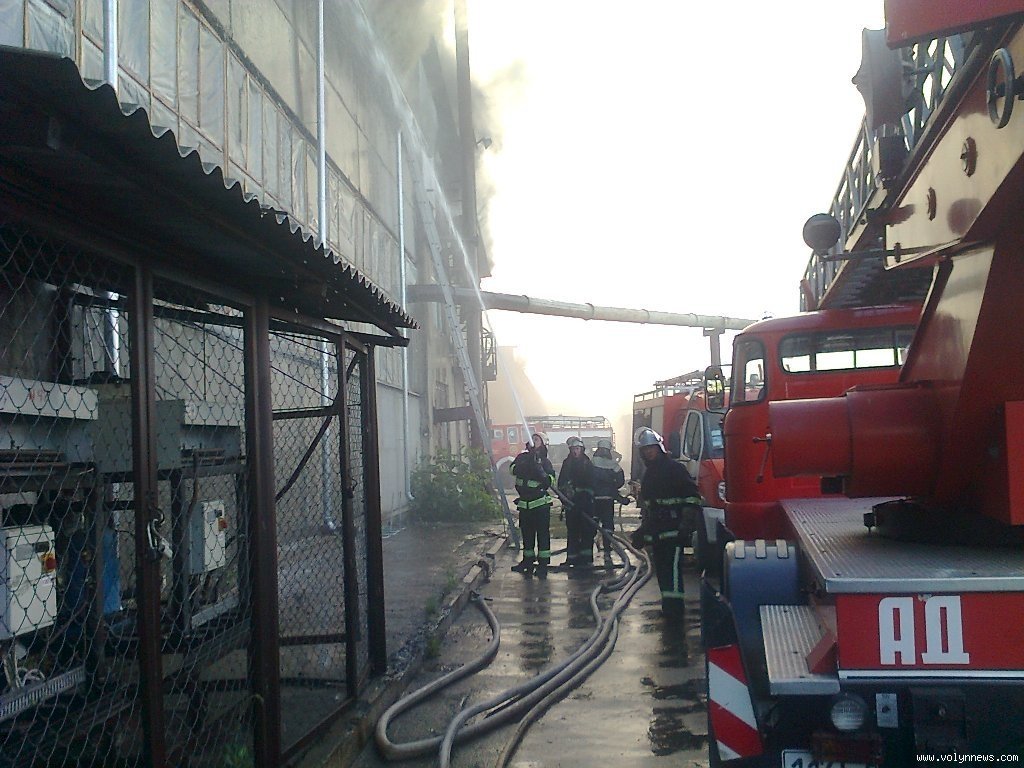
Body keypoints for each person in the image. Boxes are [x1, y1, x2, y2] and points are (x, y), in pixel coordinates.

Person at [630, 427, 703, 618]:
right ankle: (668, 606)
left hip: (674, 530)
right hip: (657, 532)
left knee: (673, 571)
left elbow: (692, 497)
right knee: (662, 572)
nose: (649, 452)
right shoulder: (649, 474)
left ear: (660, 448)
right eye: (645, 450)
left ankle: (675, 609)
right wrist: (642, 532)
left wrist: (686, 523)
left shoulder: (675, 469)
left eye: (652, 448)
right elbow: (650, 509)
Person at [510, 437, 554, 577]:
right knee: (527, 536)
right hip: (525, 504)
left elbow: (551, 480)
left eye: (537, 439)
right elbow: (512, 469)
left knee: (542, 535)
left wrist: (540, 471)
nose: (533, 441)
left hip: (540, 504)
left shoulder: (544, 461)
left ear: (543, 444)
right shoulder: (522, 457)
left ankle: (542, 565)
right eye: (532, 438)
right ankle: (527, 562)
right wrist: (526, 464)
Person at [558, 436, 595, 567]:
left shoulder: (587, 463)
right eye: (573, 449)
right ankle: (572, 558)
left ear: (582, 449)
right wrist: (564, 495)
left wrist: (583, 499)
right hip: (571, 505)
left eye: (577, 449)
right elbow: (561, 482)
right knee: (572, 531)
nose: (575, 451)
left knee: (586, 531)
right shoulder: (567, 463)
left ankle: (586, 558)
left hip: (584, 505)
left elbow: (591, 485)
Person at [591, 438, 625, 553]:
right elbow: (620, 481)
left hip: (594, 499)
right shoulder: (614, 465)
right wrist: (613, 488)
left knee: (593, 522)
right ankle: (607, 546)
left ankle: (589, 544)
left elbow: (585, 478)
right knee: (608, 524)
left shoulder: (591, 462)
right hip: (608, 500)